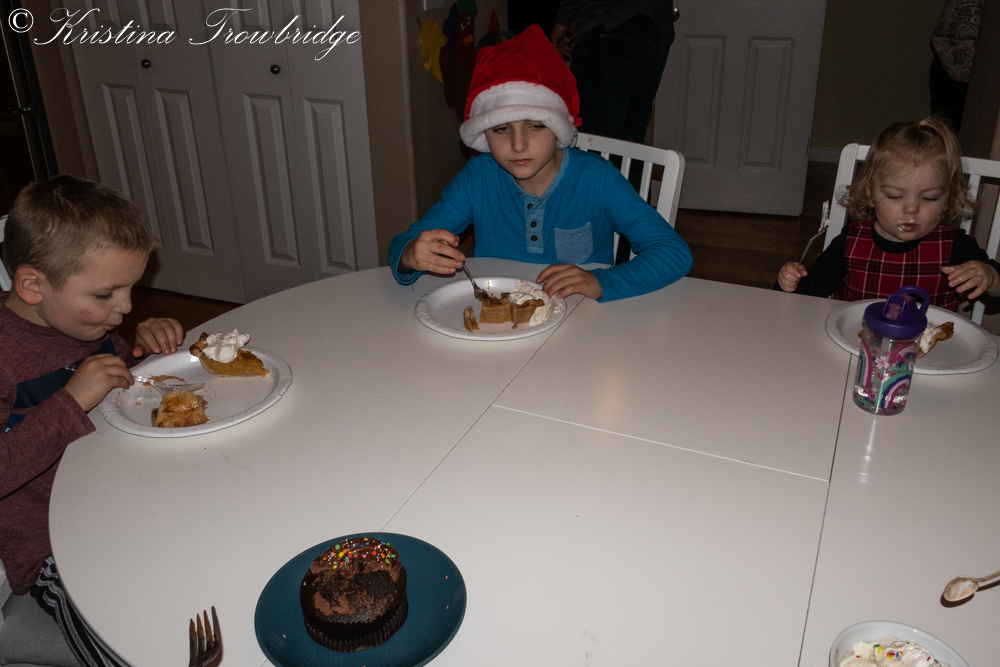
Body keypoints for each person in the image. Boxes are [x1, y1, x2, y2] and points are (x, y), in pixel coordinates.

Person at [0, 175, 184, 666]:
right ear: (32, 286)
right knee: (120, 642)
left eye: (130, 289)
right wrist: (70, 401)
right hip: (54, 547)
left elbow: (120, 389)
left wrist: (144, 351)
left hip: (124, 499)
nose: (125, 308)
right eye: (107, 294)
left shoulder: (81, 320)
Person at [388, 24, 692, 302]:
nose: (518, 144)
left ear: (559, 127)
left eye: (536, 126)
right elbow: (403, 244)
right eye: (501, 129)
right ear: (483, 134)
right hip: (499, 323)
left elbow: (673, 252)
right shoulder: (477, 179)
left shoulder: (597, 179)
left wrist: (602, 281)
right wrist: (410, 254)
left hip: (581, 321)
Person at [776, 118, 1000, 309]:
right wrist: (790, 283)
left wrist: (990, 278)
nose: (911, 208)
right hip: (862, 341)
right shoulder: (850, 242)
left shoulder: (955, 246)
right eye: (895, 196)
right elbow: (812, 291)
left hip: (931, 345)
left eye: (929, 197)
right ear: (870, 194)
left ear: (947, 198)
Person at [550, 0, 675, 145]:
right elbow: (666, 31)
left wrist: (563, 22)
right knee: (630, 149)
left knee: (592, 143)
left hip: (607, 27)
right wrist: (649, 95)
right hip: (649, 40)